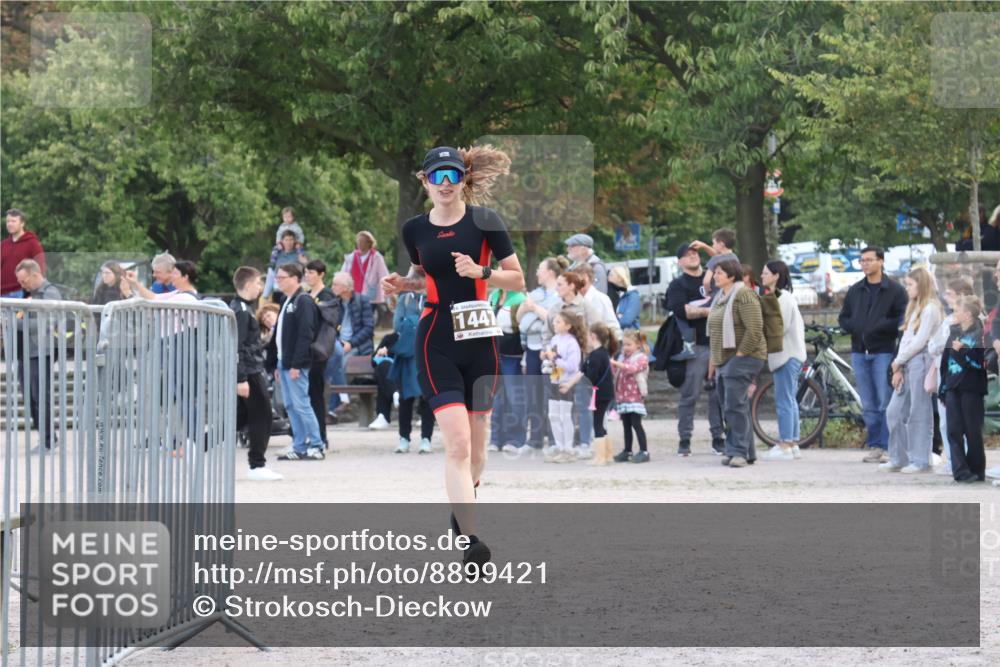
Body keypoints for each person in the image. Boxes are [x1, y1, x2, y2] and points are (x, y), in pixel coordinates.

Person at [382, 144, 524, 571]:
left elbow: (518, 278)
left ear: (464, 179)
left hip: (480, 341)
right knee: (458, 444)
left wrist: (482, 272)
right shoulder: (414, 229)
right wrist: (402, 285)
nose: (445, 184)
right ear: (424, 181)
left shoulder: (485, 221)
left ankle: (463, 505)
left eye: (453, 175)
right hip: (436, 340)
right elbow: (426, 277)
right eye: (437, 177)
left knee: (478, 448)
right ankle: (472, 542)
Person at [838, 246, 909, 463]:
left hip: (883, 351)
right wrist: (854, 326)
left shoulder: (895, 290)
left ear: (881, 261)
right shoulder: (855, 290)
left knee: (885, 400)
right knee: (868, 404)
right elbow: (844, 317)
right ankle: (876, 444)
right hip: (859, 351)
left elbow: (903, 318)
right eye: (862, 260)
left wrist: (881, 326)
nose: (865, 264)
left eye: (869, 260)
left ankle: (889, 446)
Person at [880, 268, 942, 474]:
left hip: (921, 360)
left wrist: (898, 361)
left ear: (921, 284)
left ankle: (920, 459)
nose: (906, 288)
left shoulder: (930, 308)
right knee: (894, 411)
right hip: (906, 361)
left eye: (910, 284)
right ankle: (899, 457)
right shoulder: (914, 307)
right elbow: (906, 339)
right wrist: (898, 365)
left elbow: (920, 341)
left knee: (919, 411)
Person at [667, 243, 725, 456]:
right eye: (686, 254)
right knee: (689, 395)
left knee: (717, 395)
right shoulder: (677, 285)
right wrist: (712, 310)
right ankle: (684, 439)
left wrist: (707, 247)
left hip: (718, 343)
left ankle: (718, 438)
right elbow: (683, 311)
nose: (692, 256)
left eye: (694, 253)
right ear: (679, 262)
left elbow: (728, 260)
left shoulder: (716, 278)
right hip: (696, 346)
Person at [707, 258, 766, 468]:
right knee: (731, 405)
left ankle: (738, 452)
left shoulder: (744, 295)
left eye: (719, 273)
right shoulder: (720, 297)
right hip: (725, 358)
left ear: (732, 276)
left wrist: (740, 353)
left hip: (745, 357)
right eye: (715, 272)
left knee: (734, 406)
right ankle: (744, 451)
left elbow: (755, 328)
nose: (715, 276)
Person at [266, 263, 325, 461]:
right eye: (277, 278)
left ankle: (316, 445)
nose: (278, 281)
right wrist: (276, 363)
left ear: (294, 278)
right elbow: (280, 334)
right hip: (284, 362)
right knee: (290, 405)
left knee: (302, 404)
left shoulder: (303, 301)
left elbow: (305, 334)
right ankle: (299, 445)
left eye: (282, 278)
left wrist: (297, 364)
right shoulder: (285, 300)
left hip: (295, 363)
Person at [230, 267, 283, 481]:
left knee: (240, 417)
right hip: (249, 372)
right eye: (258, 283)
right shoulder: (241, 311)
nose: (261, 288)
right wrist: (241, 378)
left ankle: (198, 445)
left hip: (250, 370)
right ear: (249, 284)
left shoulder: (243, 308)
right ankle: (257, 465)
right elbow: (237, 347)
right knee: (263, 415)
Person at [927, 277, 976, 475]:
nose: (945, 297)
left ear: (961, 295)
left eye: (949, 293)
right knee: (946, 420)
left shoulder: (968, 319)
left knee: (961, 419)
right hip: (944, 371)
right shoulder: (948, 319)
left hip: (960, 374)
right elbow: (933, 346)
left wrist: (940, 345)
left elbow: (942, 344)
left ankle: (964, 460)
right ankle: (952, 460)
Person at [517, 257, 567, 450]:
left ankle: (555, 439)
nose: (537, 272)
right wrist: (526, 308)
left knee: (552, 394)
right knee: (533, 395)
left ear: (550, 272)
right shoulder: (534, 294)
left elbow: (554, 321)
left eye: (540, 268)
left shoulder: (559, 295)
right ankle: (535, 439)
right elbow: (519, 319)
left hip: (552, 351)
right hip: (531, 350)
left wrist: (535, 309)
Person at [760, 261, 807, 461]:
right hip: (790, 355)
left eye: (765, 273)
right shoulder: (782, 298)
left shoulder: (782, 299)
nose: (762, 276)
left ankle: (785, 444)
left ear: (776, 276)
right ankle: (793, 443)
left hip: (786, 356)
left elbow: (779, 327)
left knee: (784, 401)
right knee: (790, 400)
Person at [13, 259, 61, 450]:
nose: (22, 285)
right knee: (30, 397)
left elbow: (46, 324)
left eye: (24, 281)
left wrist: (14, 323)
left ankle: (48, 440)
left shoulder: (50, 293)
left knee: (40, 396)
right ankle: (46, 437)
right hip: (27, 352)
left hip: (41, 352)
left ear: (35, 275)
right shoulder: (30, 294)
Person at [940, 295, 988, 483]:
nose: (954, 313)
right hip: (953, 387)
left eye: (957, 310)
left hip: (972, 389)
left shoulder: (980, 334)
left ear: (967, 314)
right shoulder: (953, 333)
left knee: (972, 431)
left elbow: (980, 363)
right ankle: (960, 471)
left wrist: (963, 350)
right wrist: (943, 388)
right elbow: (945, 362)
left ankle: (976, 470)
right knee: (954, 430)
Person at [385, 291, 435, 454]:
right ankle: (404, 437)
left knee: (427, 398)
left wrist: (411, 321)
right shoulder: (405, 299)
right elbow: (397, 326)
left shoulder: (435, 295)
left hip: (429, 351)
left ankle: (426, 438)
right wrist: (417, 323)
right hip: (408, 355)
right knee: (405, 398)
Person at [542, 312, 586, 463]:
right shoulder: (554, 339)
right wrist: (546, 357)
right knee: (553, 415)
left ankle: (568, 448)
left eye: (558, 322)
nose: (555, 324)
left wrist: (554, 358)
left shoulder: (572, 343)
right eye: (555, 321)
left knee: (565, 416)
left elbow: (572, 366)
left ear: (568, 326)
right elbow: (553, 359)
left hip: (566, 382)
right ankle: (559, 447)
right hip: (554, 380)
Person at [487, 285, 527, 453]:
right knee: (497, 399)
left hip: (513, 355)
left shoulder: (520, 298)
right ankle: (496, 438)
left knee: (514, 398)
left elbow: (523, 329)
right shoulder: (493, 295)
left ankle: (515, 439)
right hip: (496, 353)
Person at [304, 260, 338, 447]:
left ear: (321, 274)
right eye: (306, 273)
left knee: (316, 394)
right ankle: (309, 435)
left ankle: (321, 436)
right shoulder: (306, 294)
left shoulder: (328, 295)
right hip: (305, 350)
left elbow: (328, 319)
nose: (307, 276)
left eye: (311, 272)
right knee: (306, 395)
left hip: (319, 351)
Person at [577, 322, 617, 465]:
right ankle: (608, 455)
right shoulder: (603, 353)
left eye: (588, 336)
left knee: (597, 424)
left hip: (599, 395)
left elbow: (590, 378)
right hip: (606, 393)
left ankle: (600, 458)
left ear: (593, 336)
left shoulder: (595, 356)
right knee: (601, 423)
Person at [611, 329, 651, 463]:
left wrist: (618, 364)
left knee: (636, 424)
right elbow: (616, 372)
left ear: (638, 345)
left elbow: (632, 369)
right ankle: (627, 450)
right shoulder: (623, 358)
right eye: (624, 344)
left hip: (635, 397)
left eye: (629, 344)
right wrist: (612, 365)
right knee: (626, 424)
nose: (625, 347)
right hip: (623, 397)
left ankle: (644, 451)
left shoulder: (641, 358)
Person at [2, 209, 46, 298]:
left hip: (20, 293)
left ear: (22, 223)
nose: (10, 224)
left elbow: (40, 269)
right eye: (8, 221)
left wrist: (34, 294)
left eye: (13, 221)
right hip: (2, 293)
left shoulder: (32, 243)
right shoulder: (3, 245)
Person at [341, 230, 390, 311]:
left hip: (369, 297)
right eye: (358, 241)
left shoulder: (376, 257)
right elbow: (343, 275)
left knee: (366, 317)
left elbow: (384, 275)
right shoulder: (351, 257)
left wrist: (388, 294)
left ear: (369, 243)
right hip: (352, 295)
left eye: (362, 241)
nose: (359, 243)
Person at [689, 228, 738, 299]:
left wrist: (707, 293)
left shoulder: (715, 259)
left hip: (717, 295)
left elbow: (706, 281)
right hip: (732, 293)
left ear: (721, 244)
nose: (712, 246)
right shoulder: (735, 258)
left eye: (714, 243)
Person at [264, 230, 309, 300]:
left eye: (291, 240)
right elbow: (271, 273)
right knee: (270, 270)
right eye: (286, 240)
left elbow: (309, 269)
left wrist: (305, 262)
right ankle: (265, 295)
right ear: (282, 241)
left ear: (295, 241)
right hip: (279, 288)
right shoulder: (277, 254)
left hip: (295, 287)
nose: (289, 242)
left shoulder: (300, 254)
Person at [609, 265, 641, 331]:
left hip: (630, 335)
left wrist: (611, 325)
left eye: (611, 275)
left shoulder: (633, 297)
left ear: (620, 278)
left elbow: (626, 321)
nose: (608, 278)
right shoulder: (616, 294)